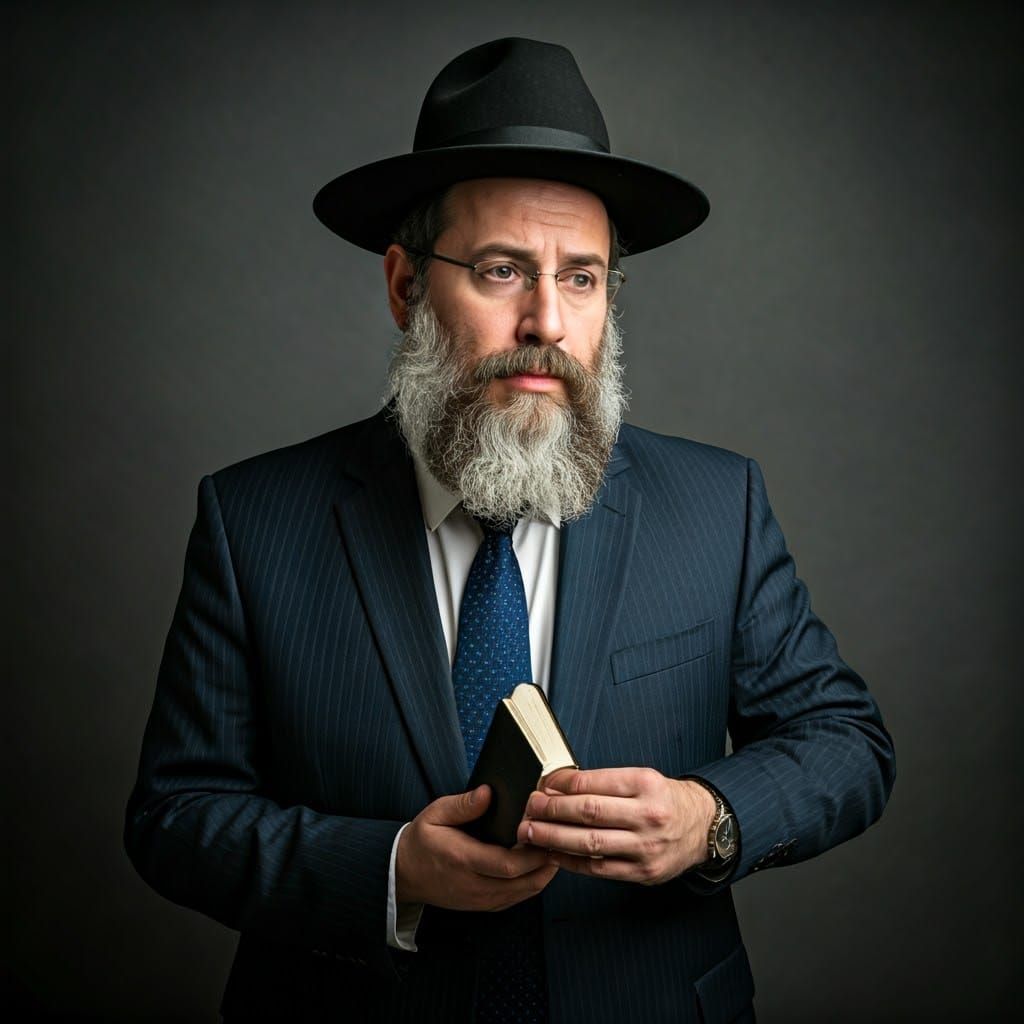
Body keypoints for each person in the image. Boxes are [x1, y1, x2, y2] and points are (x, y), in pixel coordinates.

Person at [125, 37, 895, 1023]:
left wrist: (709, 818)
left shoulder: (717, 505)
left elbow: (847, 741)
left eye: (582, 277)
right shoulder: (254, 519)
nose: (546, 320)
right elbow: (175, 816)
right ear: (405, 284)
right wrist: (392, 867)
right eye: (500, 269)